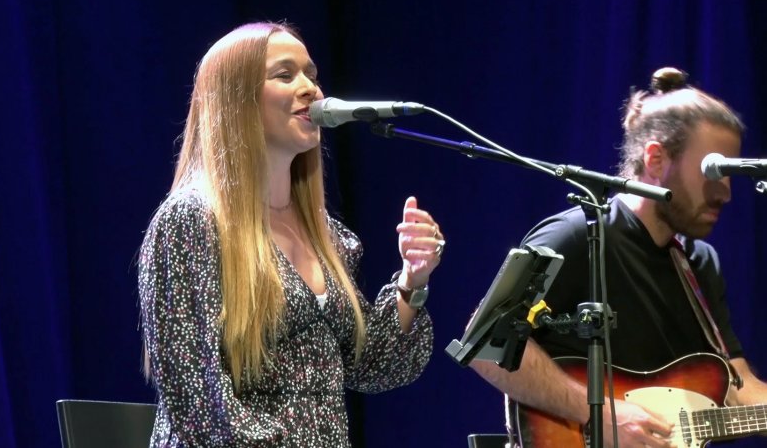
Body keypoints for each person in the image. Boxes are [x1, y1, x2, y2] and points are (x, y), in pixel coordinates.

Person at [137, 22, 443, 447]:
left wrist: (413, 280)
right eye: (285, 75)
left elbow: (374, 365)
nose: (310, 89)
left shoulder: (328, 238)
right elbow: (199, 398)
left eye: (312, 75)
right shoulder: (190, 223)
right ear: (236, 99)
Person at [471, 67, 767, 447]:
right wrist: (597, 413)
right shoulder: (575, 236)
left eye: (729, 174)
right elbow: (485, 346)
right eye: (712, 171)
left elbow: (738, 387)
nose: (725, 192)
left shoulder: (700, 262)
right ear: (656, 159)